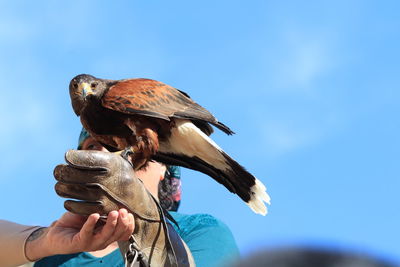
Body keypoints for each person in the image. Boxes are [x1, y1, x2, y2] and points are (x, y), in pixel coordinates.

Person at [0, 129, 239, 267]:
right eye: (93, 145)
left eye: (125, 143)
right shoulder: (51, 256)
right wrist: (42, 242)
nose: (105, 153)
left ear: (165, 165)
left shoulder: (200, 231)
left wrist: (146, 226)